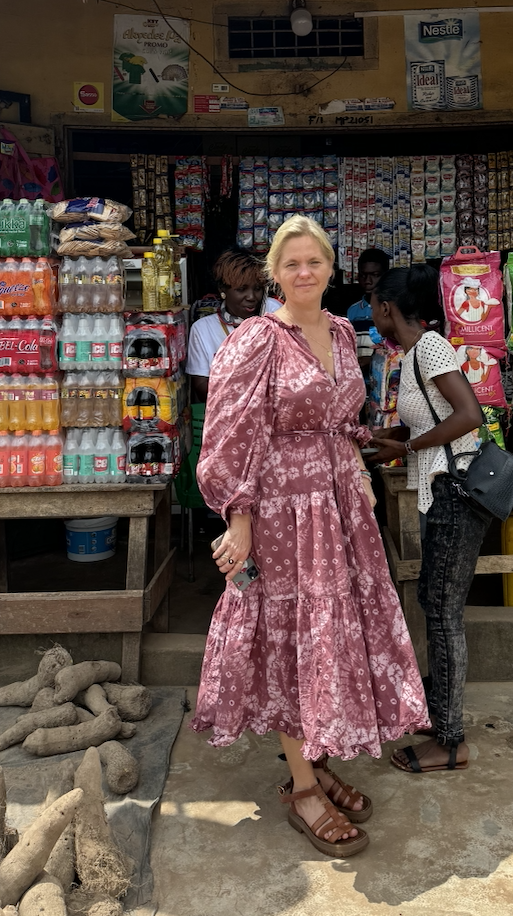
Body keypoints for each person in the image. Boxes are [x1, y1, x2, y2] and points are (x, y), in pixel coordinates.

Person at [192, 216, 429, 858]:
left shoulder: (346, 330)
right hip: (281, 512)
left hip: (340, 504)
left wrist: (358, 450)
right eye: (291, 264)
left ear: (331, 269)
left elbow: (338, 414)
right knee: (294, 638)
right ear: (276, 272)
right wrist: (238, 516)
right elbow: (229, 432)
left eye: (314, 262)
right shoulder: (256, 340)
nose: (303, 273)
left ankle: (316, 761)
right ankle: (301, 788)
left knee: (331, 633)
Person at [366, 264, 490, 774]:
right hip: (439, 491)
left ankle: (451, 740)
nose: (372, 315)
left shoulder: (432, 347)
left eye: (374, 305)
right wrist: (379, 444)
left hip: (456, 493)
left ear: (388, 308)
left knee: (443, 615)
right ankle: (438, 713)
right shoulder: (411, 355)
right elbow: (420, 422)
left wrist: (409, 446)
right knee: (432, 602)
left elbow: (469, 415)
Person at [186, 248, 282, 405]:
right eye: (241, 289)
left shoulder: (274, 313)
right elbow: (202, 387)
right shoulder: (203, 329)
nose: (251, 297)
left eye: (257, 289)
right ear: (223, 289)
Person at [346, 248, 390, 374]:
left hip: (385, 379)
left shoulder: (392, 309)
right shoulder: (353, 312)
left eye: (375, 275)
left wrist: (372, 361)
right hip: (361, 380)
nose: (368, 281)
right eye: (363, 275)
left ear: (385, 276)